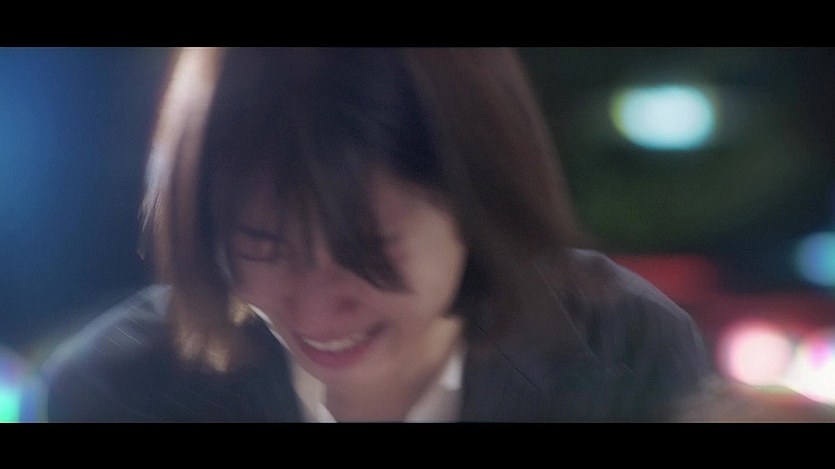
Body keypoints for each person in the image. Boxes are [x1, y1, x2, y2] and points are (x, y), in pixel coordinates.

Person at [41, 47, 711, 422]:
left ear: (477, 204)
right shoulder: (114, 395)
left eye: (368, 250)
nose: (315, 307)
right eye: (263, 245)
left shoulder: (623, 355)